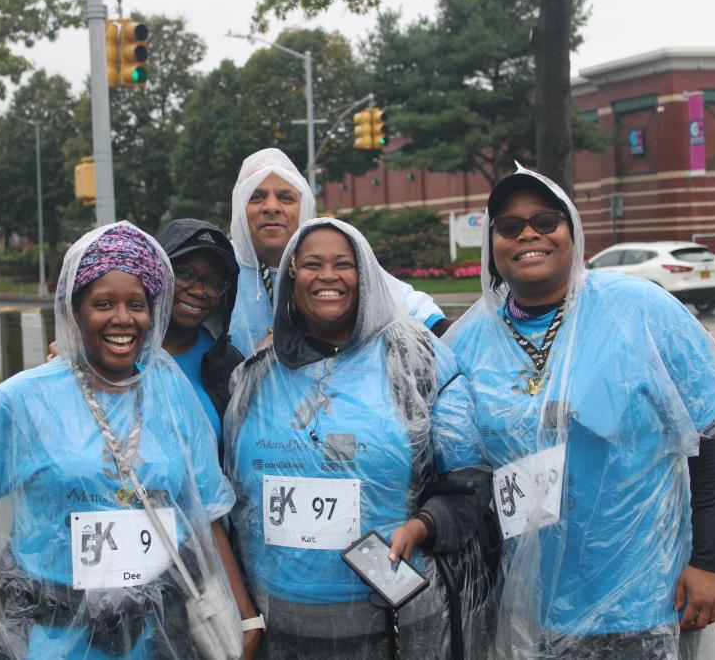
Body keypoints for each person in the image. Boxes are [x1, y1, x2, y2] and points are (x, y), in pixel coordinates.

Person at [444, 164, 715, 659]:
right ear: (491, 244)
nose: (528, 234)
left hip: (645, 598)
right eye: (509, 226)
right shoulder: (468, 342)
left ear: (572, 231)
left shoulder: (639, 309)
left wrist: (709, 560)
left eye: (546, 221)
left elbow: (713, 430)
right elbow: (458, 472)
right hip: (528, 606)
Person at [0, 222, 261, 659]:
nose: (123, 318)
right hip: (55, 642)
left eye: (136, 304)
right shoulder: (21, 400)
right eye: (103, 304)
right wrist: (4, 622)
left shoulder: (170, 391)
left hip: (161, 638)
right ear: (74, 310)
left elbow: (205, 514)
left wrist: (246, 618)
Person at [223, 217, 493, 659]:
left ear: (366, 274)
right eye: (312, 264)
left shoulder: (419, 361)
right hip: (279, 618)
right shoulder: (253, 378)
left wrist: (422, 526)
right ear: (291, 277)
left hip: (395, 618)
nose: (327, 276)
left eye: (343, 264)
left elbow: (469, 479)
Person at [227, 148, 450, 357]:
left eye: (286, 197)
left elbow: (415, 310)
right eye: (256, 197)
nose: (271, 207)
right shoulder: (221, 265)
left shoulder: (337, 259)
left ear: (304, 207)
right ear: (238, 206)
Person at [155, 218, 244, 443]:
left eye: (214, 282)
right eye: (185, 273)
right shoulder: (120, 351)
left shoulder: (229, 365)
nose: (198, 290)